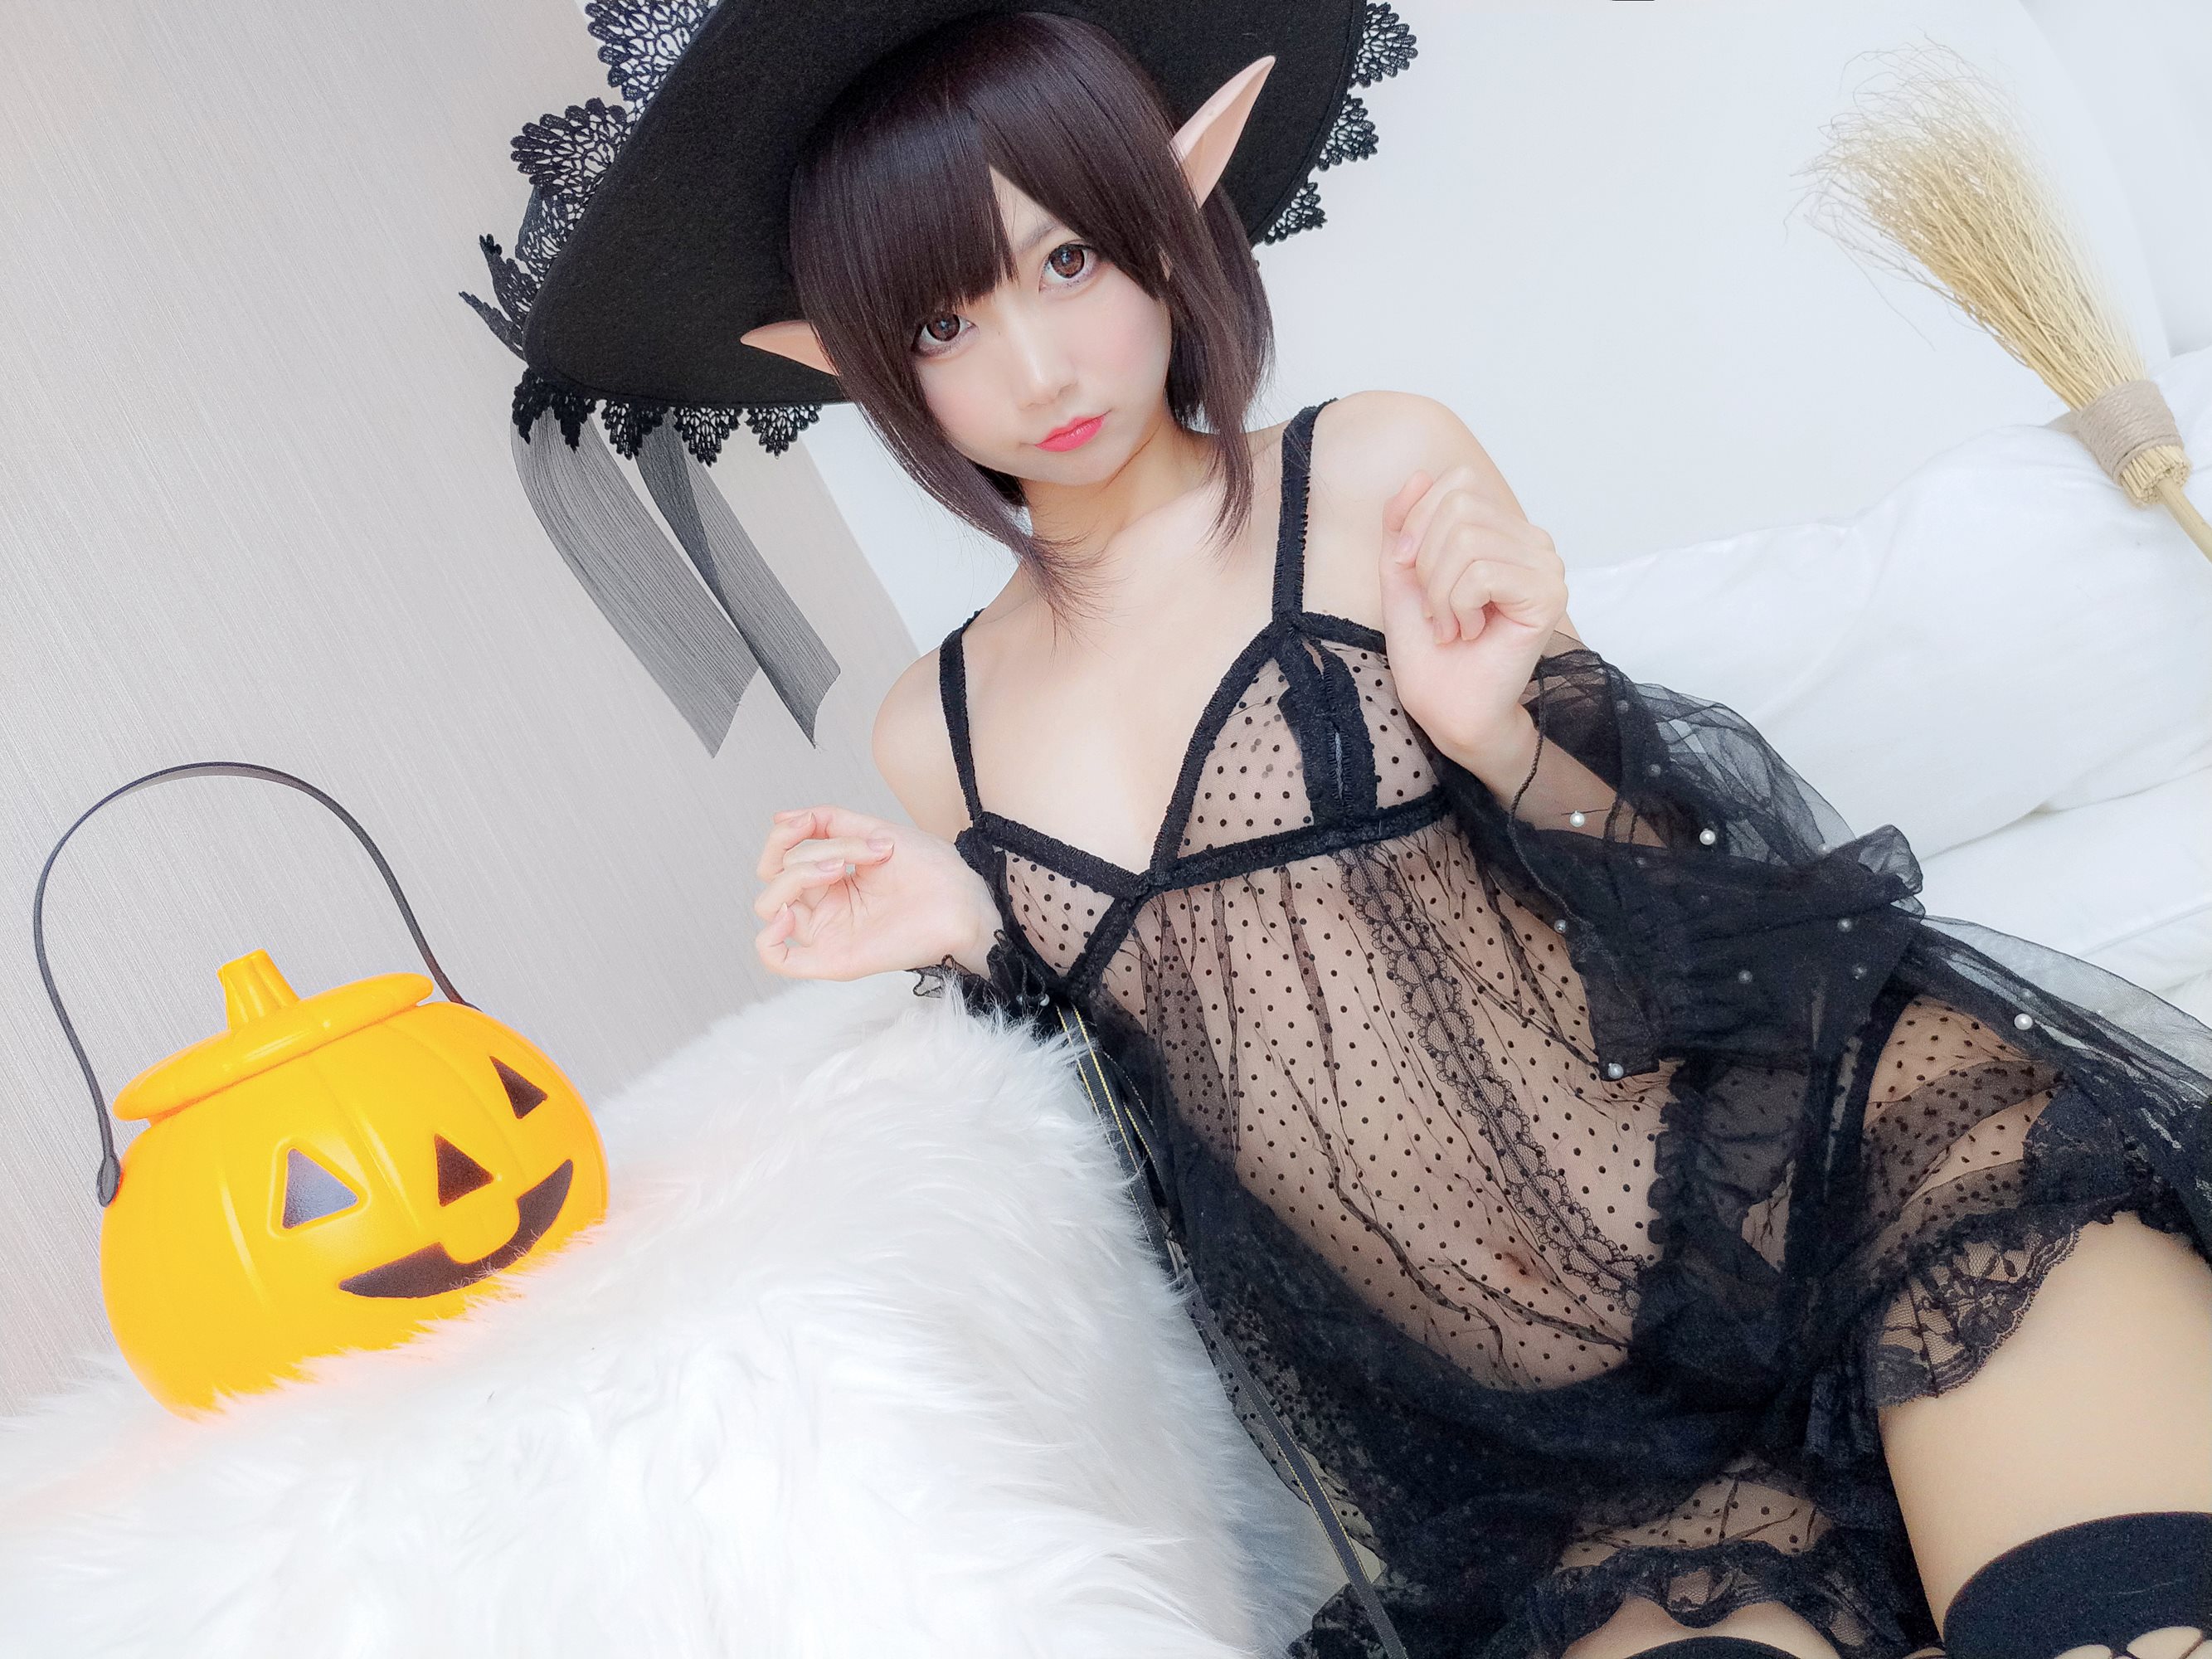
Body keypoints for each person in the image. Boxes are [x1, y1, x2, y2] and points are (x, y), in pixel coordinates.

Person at [493, 7, 2212, 1657]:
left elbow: (1696, 909)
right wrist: (974, 949)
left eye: (1065, 261)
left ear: (1172, 201)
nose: (1033, 368)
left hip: (1862, 1190)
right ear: (843, 362)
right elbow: (1174, 1170)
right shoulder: (928, 731)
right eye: (940, 326)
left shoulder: (1369, 470)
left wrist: (1499, 734)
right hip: (1557, 1456)